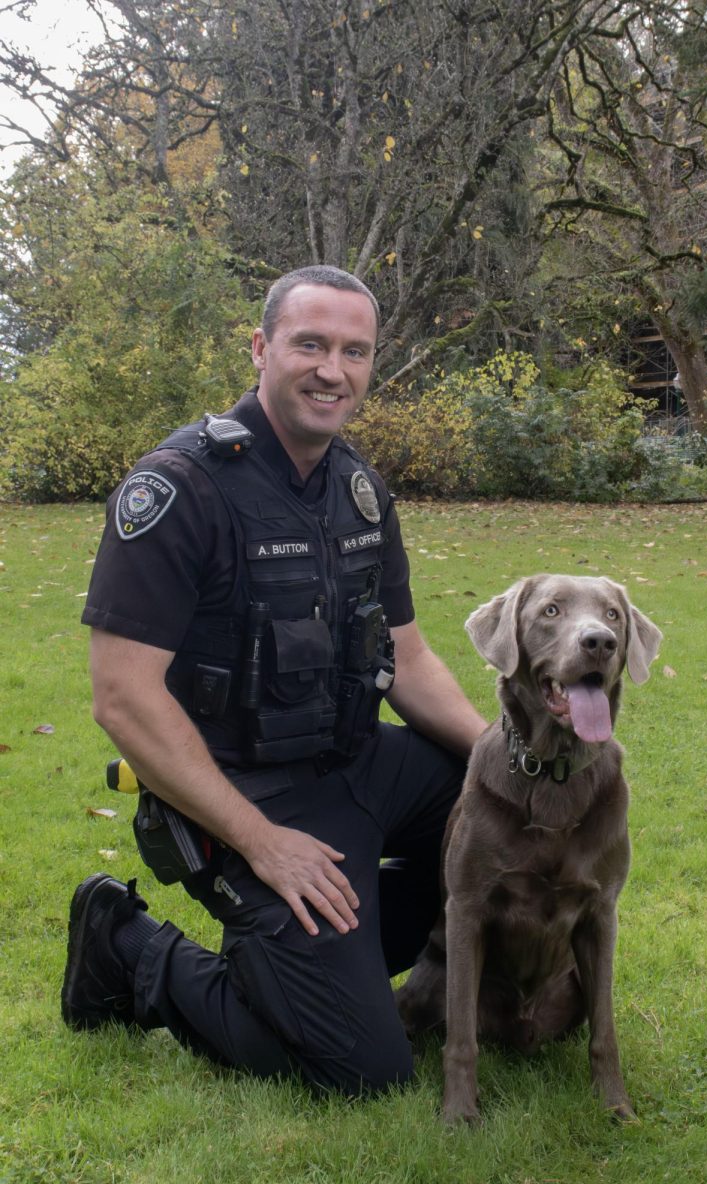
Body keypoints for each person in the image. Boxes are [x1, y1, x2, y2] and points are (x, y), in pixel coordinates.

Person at [62, 265, 487, 1096]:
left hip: (362, 762)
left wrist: (501, 764)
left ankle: (321, 955)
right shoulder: (180, 487)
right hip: (249, 792)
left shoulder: (358, 489)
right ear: (262, 348)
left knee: (507, 821)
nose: (333, 369)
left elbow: (407, 654)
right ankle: (130, 948)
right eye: (311, 344)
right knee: (361, 1071)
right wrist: (261, 841)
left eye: (354, 351)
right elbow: (122, 695)